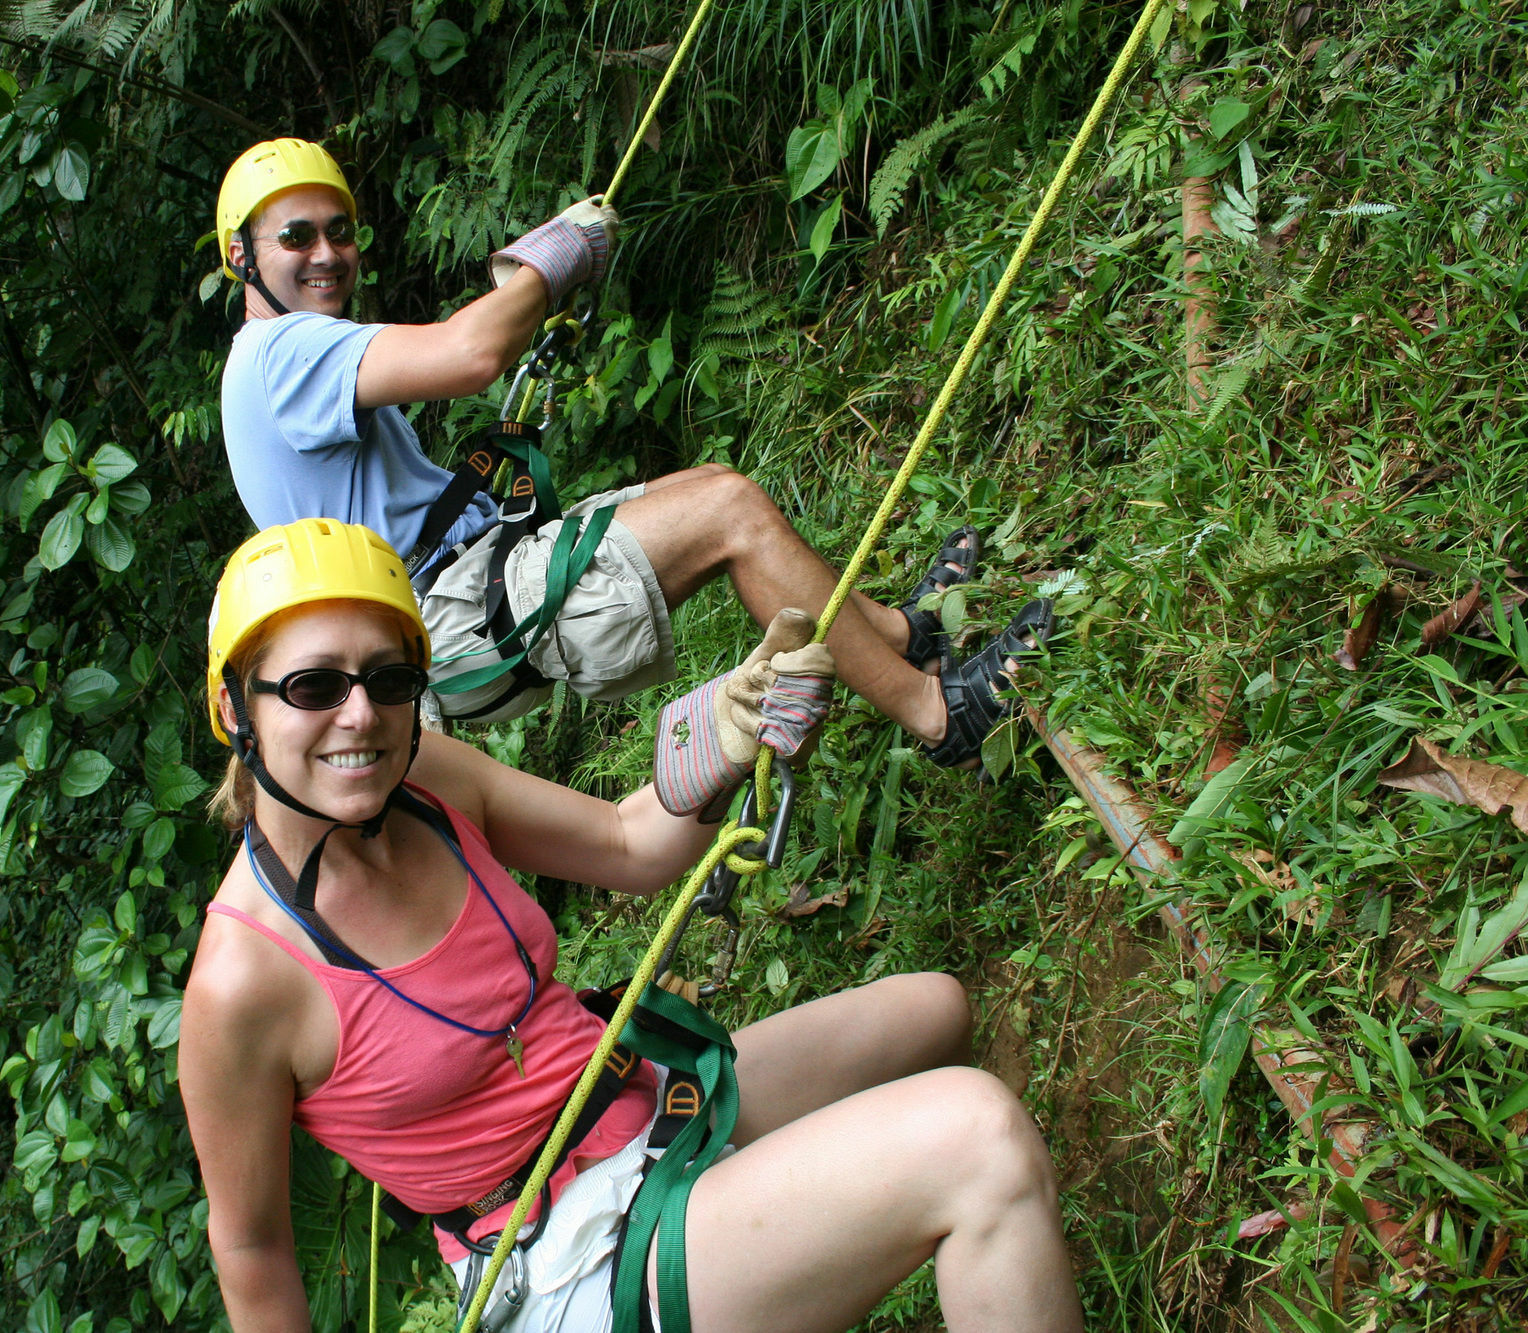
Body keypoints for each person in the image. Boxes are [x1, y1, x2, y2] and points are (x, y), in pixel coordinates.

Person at [177, 517, 1081, 1332]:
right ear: (235, 709)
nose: (361, 713)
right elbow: (251, 1250)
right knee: (979, 1141)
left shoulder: (427, 785)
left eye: (388, 677)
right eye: (312, 685)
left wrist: (730, 736)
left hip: (636, 1096)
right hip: (567, 1256)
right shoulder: (244, 979)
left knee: (935, 1010)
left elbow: (626, 840)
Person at [213, 138, 1041, 771]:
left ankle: (900, 637)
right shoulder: (279, 352)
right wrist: (552, 258)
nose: (325, 252)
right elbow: (469, 355)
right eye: (296, 235)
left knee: (716, 489)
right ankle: (938, 715)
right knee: (730, 515)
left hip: (458, 592)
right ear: (242, 255)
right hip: (454, 610)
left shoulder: (275, 363)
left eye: (339, 230)